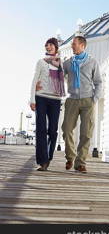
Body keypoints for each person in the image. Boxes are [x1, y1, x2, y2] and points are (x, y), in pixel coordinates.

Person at [62, 36, 102, 173]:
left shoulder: (92, 62)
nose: (72, 46)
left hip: (88, 100)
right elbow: (58, 77)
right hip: (72, 99)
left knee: (86, 133)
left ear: (82, 45)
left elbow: (98, 82)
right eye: (72, 44)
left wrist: (95, 98)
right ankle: (70, 157)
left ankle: (80, 163)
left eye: (74, 44)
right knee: (67, 129)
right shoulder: (67, 63)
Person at [29, 37, 65, 171]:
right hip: (41, 98)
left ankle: (48, 156)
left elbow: (67, 78)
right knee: (41, 129)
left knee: (53, 130)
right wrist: (32, 99)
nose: (48, 47)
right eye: (46, 45)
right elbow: (34, 80)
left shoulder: (61, 64)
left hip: (55, 99)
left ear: (56, 47)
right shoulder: (41, 62)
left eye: (51, 45)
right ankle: (42, 161)